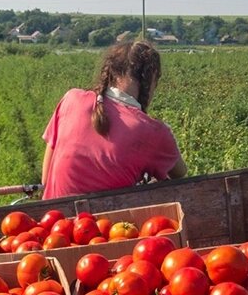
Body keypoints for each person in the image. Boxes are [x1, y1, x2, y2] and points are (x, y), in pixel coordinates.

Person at [40, 40, 187, 199]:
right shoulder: (153, 131)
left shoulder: (72, 98)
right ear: (150, 81)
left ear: (110, 72)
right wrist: (165, 133)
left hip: (54, 219)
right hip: (108, 223)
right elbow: (179, 174)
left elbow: (45, 179)